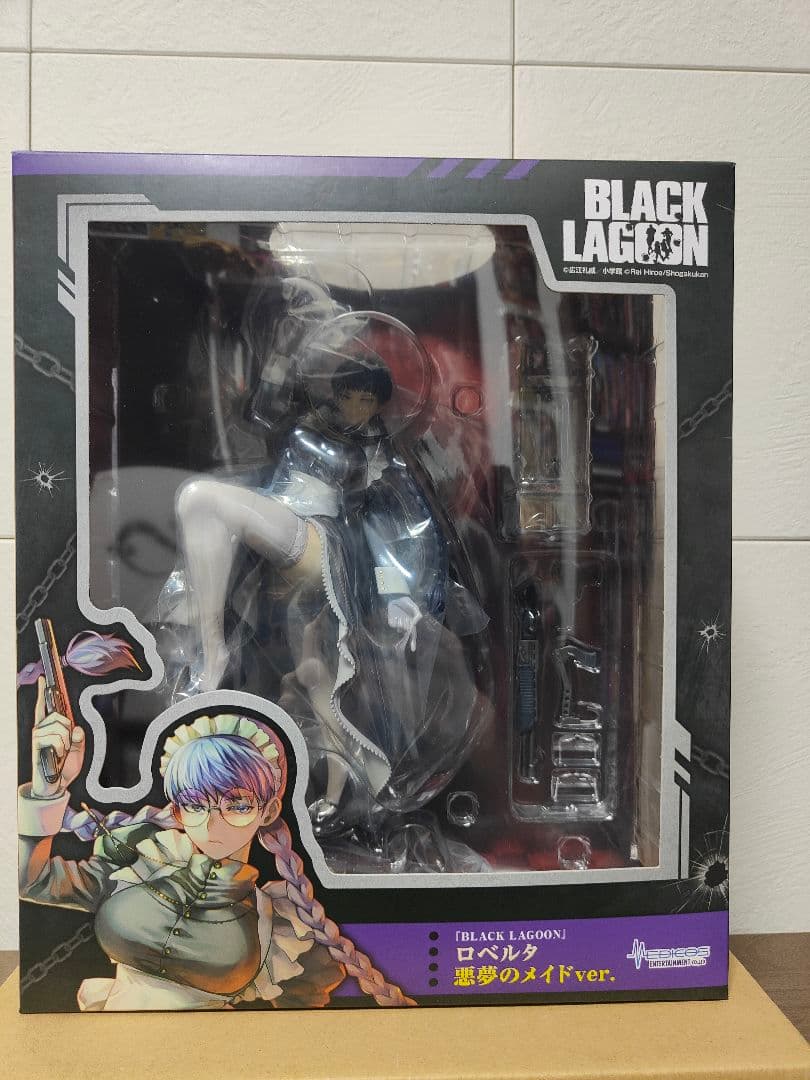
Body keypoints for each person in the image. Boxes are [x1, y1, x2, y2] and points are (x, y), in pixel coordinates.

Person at [173, 338, 488, 827]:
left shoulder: (378, 452)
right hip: (288, 547)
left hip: (319, 541)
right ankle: (340, 792)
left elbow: (398, 524)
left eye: (368, 399)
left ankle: (214, 648)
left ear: (380, 405)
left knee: (199, 498)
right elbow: (260, 413)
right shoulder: (307, 423)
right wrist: (282, 350)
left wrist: (400, 593)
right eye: (351, 395)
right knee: (317, 677)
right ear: (336, 395)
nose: (358, 407)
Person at [18, 684, 415, 1010]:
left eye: (237, 805)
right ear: (177, 808)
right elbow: (31, 881)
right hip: (110, 1048)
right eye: (195, 804)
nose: (212, 824)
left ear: (268, 810)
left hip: (217, 1057)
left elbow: (299, 1029)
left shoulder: (280, 924)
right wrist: (46, 788)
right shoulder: (138, 861)